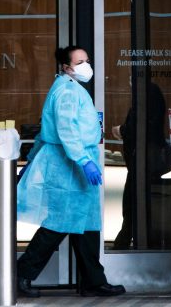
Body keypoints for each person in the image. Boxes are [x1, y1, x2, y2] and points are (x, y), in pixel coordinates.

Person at [16, 46, 125, 297]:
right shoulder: (67, 92)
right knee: (58, 224)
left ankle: (93, 281)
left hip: (74, 165)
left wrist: (32, 160)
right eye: (80, 62)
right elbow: (67, 132)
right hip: (69, 167)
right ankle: (21, 274)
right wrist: (84, 160)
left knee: (86, 226)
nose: (87, 65)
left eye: (87, 60)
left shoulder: (71, 88)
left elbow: (47, 131)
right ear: (66, 67)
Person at [112, 81, 171, 249]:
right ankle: (124, 243)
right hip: (145, 161)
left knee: (134, 204)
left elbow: (141, 126)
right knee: (142, 204)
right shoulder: (150, 92)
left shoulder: (146, 94)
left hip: (144, 162)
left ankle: (122, 245)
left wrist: (121, 130)